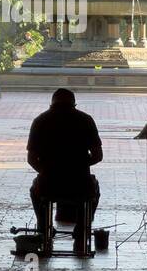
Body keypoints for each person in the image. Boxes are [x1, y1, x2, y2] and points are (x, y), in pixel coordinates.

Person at [27, 88, 102, 253]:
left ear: (52, 103)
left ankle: (43, 227)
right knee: (93, 190)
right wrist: (80, 166)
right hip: (80, 183)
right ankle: (81, 228)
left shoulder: (40, 121)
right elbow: (98, 156)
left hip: (49, 184)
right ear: (74, 104)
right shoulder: (85, 120)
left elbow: (31, 159)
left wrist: (46, 171)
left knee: (35, 190)